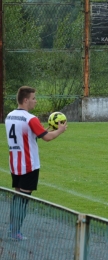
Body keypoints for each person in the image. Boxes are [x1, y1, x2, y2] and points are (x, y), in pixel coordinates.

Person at [5, 86, 67, 240]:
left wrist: (45, 130)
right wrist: (60, 130)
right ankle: (15, 232)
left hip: (15, 163)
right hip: (29, 165)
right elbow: (47, 138)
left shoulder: (10, 116)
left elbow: (31, 134)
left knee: (17, 197)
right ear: (25, 100)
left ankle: (12, 228)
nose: (35, 101)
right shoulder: (30, 118)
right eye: (33, 98)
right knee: (24, 200)